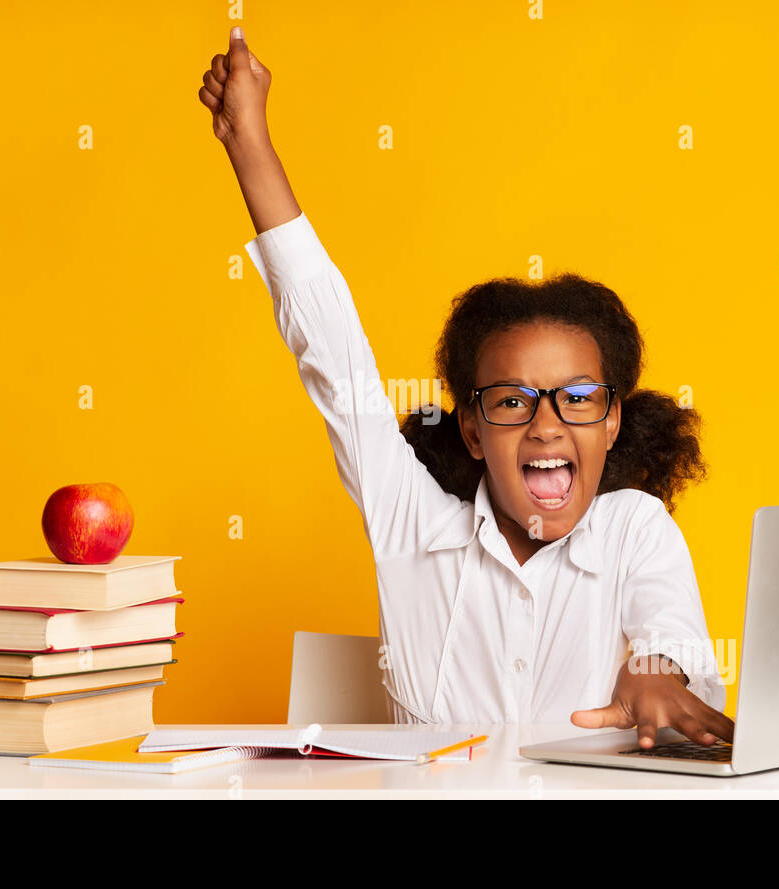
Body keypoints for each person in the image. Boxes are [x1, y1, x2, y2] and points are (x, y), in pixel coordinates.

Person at [198, 26, 734, 749]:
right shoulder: (409, 523)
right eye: (512, 399)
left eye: (577, 397)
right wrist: (249, 143)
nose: (546, 424)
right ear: (475, 428)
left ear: (611, 421)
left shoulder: (634, 528)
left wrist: (657, 672)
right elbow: (332, 352)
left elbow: (671, 636)